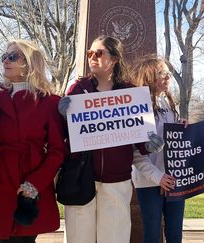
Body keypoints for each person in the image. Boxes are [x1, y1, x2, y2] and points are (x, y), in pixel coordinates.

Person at [57, 36, 164, 243]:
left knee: (114, 238)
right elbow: (64, 135)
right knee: (79, 238)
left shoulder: (131, 93)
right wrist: (62, 116)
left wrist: (151, 144)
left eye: (98, 53)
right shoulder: (77, 89)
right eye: (89, 53)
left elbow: (142, 139)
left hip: (117, 181)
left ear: (114, 58)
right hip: (80, 177)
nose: (92, 57)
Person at [0, 39, 66, 243]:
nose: (6, 61)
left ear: (29, 62)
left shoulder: (49, 101)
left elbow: (57, 150)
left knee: (25, 238)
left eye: (13, 56)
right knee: (4, 238)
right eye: (4, 57)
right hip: (2, 177)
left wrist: (34, 184)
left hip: (31, 177)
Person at [131, 56, 188, 243]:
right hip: (149, 183)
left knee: (175, 235)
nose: (168, 77)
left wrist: (181, 127)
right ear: (148, 76)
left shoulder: (169, 103)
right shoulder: (138, 107)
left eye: (168, 73)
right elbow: (136, 154)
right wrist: (158, 177)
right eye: (162, 73)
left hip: (174, 180)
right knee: (152, 235)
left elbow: (170, 141)